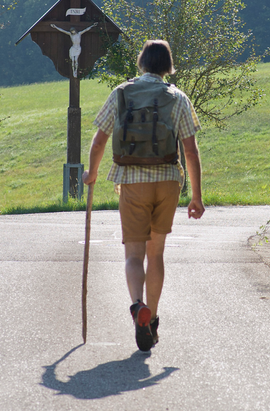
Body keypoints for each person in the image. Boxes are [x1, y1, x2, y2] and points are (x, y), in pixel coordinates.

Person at [82, 40, 204, 351]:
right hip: (167, 182)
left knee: (133, 255)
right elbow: (190, 151)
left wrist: (92, 173)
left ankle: (138, 307)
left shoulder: (121, 93)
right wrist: (197, 197)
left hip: (131, 181)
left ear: (141, 63)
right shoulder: (177, 98)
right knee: (156, 254)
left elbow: (99, 141)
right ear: (168, 66)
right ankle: (152, 318)